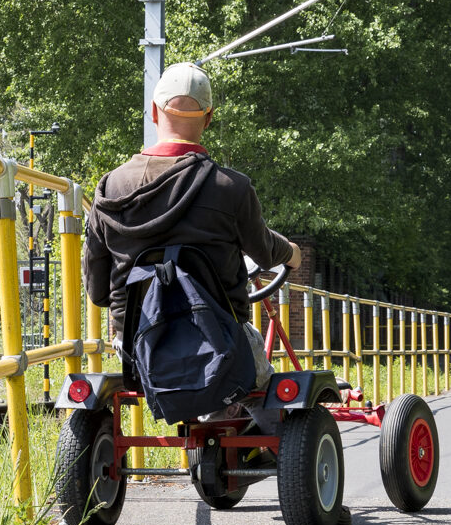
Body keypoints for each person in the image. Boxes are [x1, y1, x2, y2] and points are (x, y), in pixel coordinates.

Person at [84, 62, 301, 389]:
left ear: (154, 113)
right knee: (274, 410)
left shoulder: (110, 187)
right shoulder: (232, 188)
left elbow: (98, 291)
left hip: (137, 349)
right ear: (208, 118)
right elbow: (264, 250)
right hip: (220, 347)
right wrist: (291, 252)